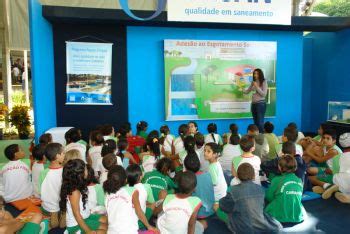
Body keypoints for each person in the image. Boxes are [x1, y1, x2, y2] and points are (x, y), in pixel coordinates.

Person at [218, 163, 282, 233]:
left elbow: (223, 206)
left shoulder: (233, 190)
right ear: (253, 176)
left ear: (238, 176)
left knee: (217, 208)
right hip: (261, 225)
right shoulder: (260, 189)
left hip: (243, 227)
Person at [104, 165, 157, 233]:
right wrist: (149, 226)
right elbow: (139, 211)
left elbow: (110, 215)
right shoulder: (133, 191)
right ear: (126, 179)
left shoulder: (107, 194)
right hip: (129, 231)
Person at [60, 159, 107, 233]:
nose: (87, 170)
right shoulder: (74, 192)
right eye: (85, 169)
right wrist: (88, 231)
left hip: (86, 217)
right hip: (76, 225)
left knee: (107, 221)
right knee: (105, 230)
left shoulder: (77, 185)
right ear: (79, 174)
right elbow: (77, 215)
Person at [265, 155, 304, 227]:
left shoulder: (276, 179)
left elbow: (269, 197)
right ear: (295, 167)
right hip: (297, 216)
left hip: (279, 217)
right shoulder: (299, 180)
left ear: (279, 167)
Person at [1, 144, 37, 212]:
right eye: (21, 150)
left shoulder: (4, 168)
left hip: (8, 199)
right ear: (16, 154)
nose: (23, 151)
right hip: (26, 196)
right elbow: (30, 176)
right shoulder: (24, 165)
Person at [307, 129, 343, 194]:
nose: (325, 140)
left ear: (334, 141)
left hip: (335, 173)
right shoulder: (326, 145)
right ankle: (323, 183)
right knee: (309, 170)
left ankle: (328, 186)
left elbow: (319, 160)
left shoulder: (333, 151)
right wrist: (311, 140)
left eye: (328, 138)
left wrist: (308, 152)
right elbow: (318, 143)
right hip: (328, 169)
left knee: (309, 178)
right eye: (324, 138)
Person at [39, 143, 65, 229]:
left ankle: (53, 215)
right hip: (62, 203)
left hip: (48, 205)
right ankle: (62, 214)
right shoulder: (65, 171)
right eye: (63, 153)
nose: (65, 155)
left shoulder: (43, 172)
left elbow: (40, 190)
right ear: (57, 156)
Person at [184, 154, 215, 221]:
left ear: (186, 168)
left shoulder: (187, 180)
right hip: (211, 210)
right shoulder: (208, 175)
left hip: (196, 214)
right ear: (199, 164)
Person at [322, 133, 350, 202]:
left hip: (339, 182)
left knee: (320, 176)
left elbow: (334, 172)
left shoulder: (337, 157)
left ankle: (329, 186)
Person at [126, 164, 155, 229]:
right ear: (141, 176)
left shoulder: (124, 188)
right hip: (139, 222)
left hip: (126, 221)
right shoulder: (146, 187)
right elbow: (151, 202)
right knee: (153, 204)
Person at [243, 68, 268, 133]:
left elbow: (264, 94)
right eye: (254, 74)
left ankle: (262, 139)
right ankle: (256, 139)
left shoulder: (264, 81)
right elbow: (247, 91)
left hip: (260, 104)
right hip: (254, 104)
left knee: (260, 123)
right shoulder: (253, 82)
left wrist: (257, 86)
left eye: (257, 74)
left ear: (260, 74)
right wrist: (241, 87)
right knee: (255, 123)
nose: (255, 75)